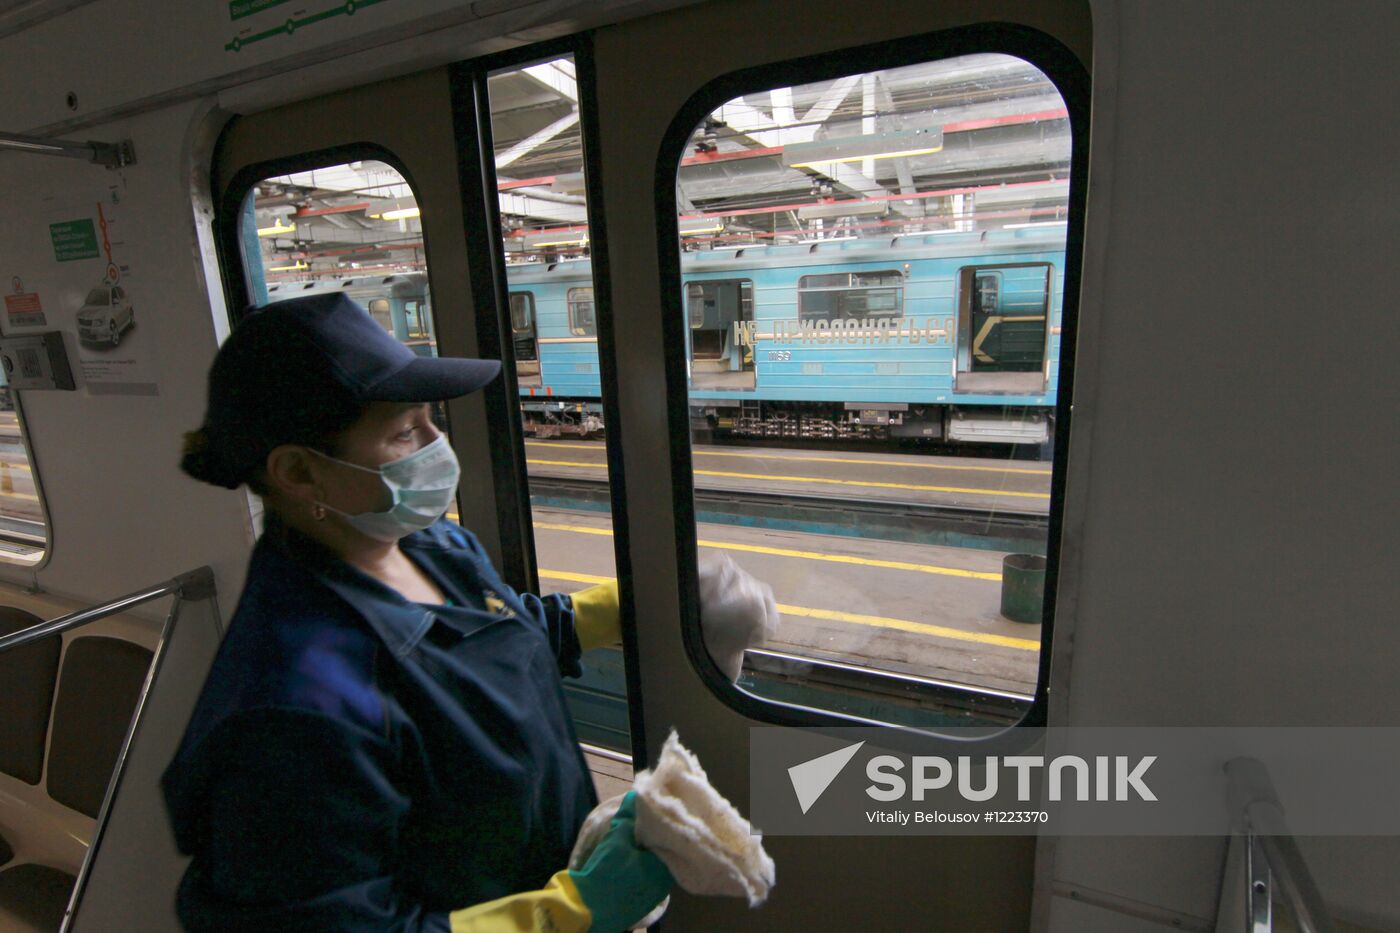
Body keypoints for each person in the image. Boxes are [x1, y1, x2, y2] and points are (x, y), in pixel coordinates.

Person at [162, 293, 705, 932]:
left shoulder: (427, 542)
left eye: (430, 419)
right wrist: (567, 914)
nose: (435, 444)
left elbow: (498, 638)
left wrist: (624, 609)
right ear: (301, 474)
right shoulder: (292, 705)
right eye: (403, 432)